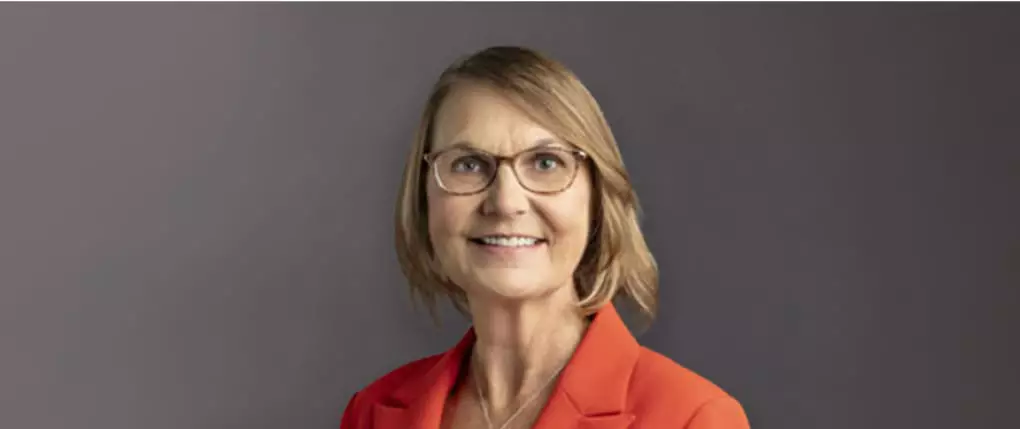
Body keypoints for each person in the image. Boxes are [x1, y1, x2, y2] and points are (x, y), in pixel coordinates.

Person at [339, 45, 750, 429]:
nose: (505, 202)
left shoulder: (691, 418)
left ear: (596, 197)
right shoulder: (372, 413)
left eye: (545, 162)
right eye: (468, 164)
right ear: (424, 199)